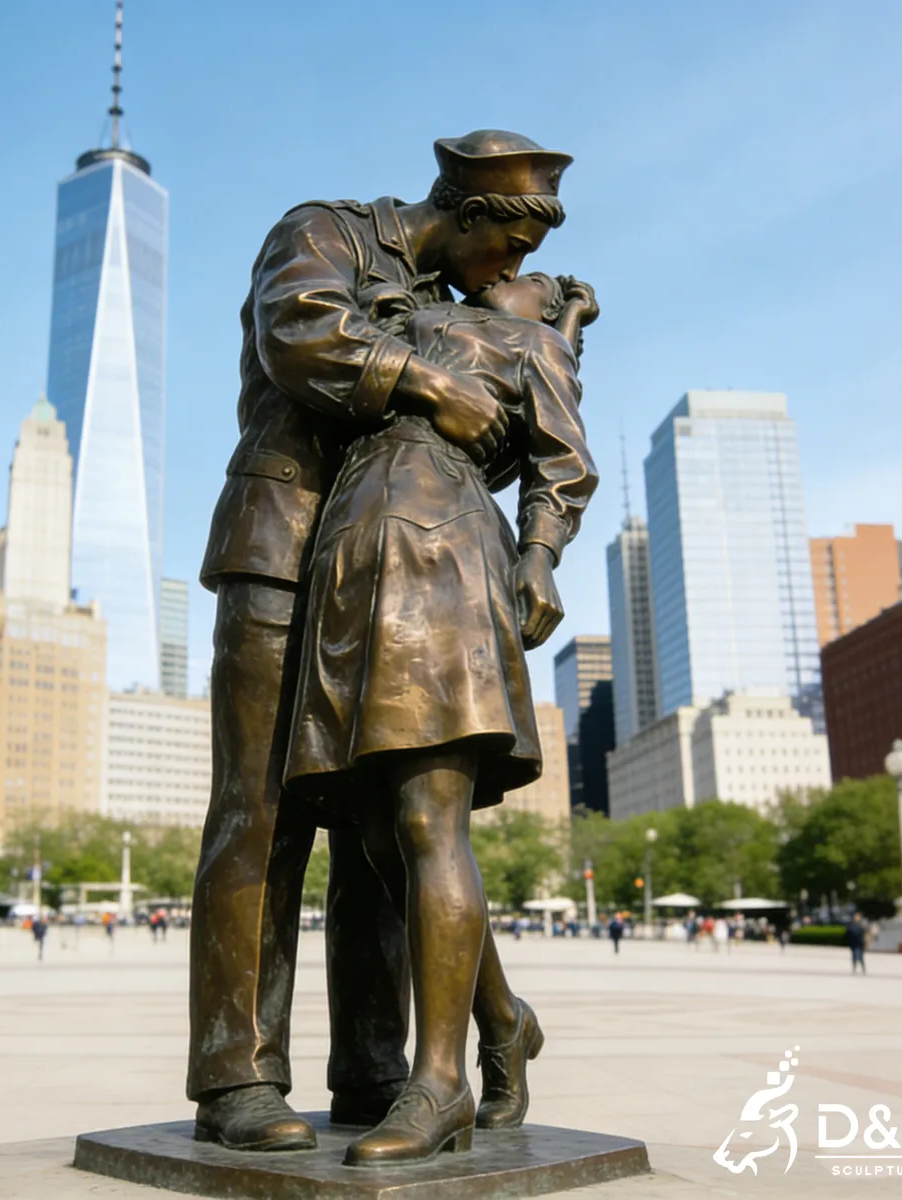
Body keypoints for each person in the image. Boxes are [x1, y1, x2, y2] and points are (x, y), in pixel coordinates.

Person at [189, 130, 575, 1153]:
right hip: (282, 543)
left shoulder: (461, 311)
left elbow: (498, 446)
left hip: (384, 563)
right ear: (471, 214)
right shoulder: (325, 231)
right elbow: (299, 331)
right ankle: (238, 1078)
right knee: (263, 813)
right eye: (510, 251)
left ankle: (371, 1066)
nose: (514, 276)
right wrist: (423, 378)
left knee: (382, 813)